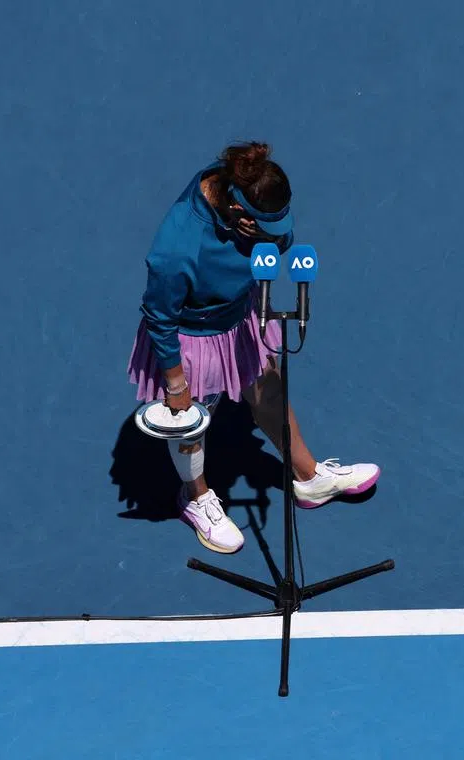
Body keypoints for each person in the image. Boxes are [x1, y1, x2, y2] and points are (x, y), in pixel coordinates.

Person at [126, 141, 380, 554]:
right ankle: (195, 497)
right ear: (240, 213)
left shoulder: (236, 183)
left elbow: (278, 242)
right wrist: (175, 382)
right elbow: (160, 316)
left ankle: (309, 479)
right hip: (192, 336)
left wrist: (269, 236)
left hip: (238, 315)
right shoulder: (176, 248)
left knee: (267, 385)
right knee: (191, 420)